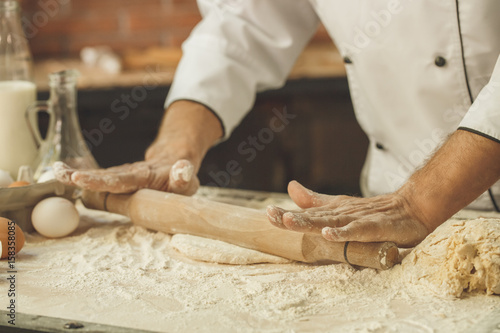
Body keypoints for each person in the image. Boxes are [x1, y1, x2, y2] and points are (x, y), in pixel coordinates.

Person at [56, 1, 500, 248]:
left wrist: (420, 202)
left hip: (410, 205)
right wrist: (175, 150)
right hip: (387, 221)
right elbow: (240, 25)